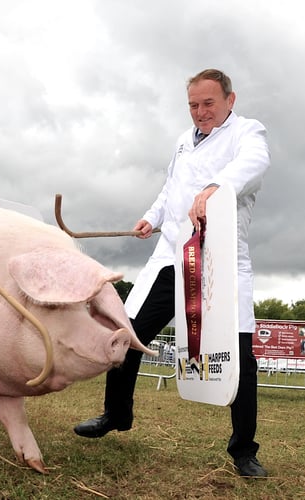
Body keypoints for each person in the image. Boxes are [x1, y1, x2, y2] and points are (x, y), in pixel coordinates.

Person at [73, 69, 270, 478]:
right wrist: (151, 217)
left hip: (220, 260)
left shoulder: (247, 133)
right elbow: (169, 190)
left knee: (240, 357)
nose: (200, 112)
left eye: (208, 103)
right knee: (126, 333)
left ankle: (244, 451)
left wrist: (216, 187)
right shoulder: (183, 142)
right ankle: (116, 414)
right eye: (194, 105)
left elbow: (256, 163)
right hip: (171, 255)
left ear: (230, 101)